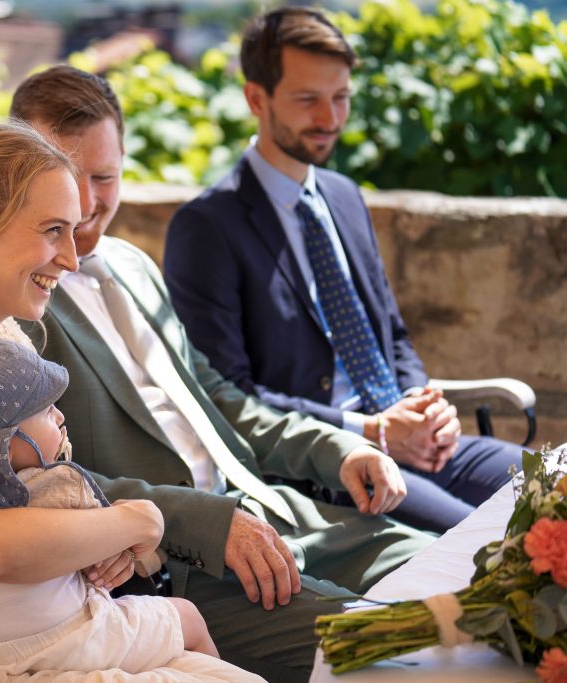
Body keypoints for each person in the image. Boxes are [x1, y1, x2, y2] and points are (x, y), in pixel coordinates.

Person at [8, 64, 437, 683]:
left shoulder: (132, 263)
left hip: (271, 508)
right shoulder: (14, 308)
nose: (85, 203)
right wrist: (208, 525)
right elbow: (50, 476)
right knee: (396, 649)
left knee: (480, 576)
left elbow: (216, 397)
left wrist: (338, 448)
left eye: (103, 176)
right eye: (65, 178)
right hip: (181, 561)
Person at [0, 121, 239, 682]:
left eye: (75, 231)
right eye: (53, 230)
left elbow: (46, 493)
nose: (73, 259)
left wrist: (99, 542)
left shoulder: (7, 338)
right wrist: (137, 520)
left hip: (59, 619)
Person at [162, 7, 520, 535]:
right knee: (492, 544)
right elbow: (230, 395)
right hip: (331, 467)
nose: (330, 118)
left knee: (552, 489)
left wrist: (423, 408)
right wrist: (371, 431)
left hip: (410, 442)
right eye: (308, 99)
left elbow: (390, 336)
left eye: (341, 97)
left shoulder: (343, 196)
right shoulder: (207, 228)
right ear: (256, 98)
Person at [0, 336, 259, 679]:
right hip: (78, 639)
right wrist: (141, 544)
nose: (61, 417)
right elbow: (120, 549)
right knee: (188, 616)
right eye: (48, 411)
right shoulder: (63, 487)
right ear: (7, 444)